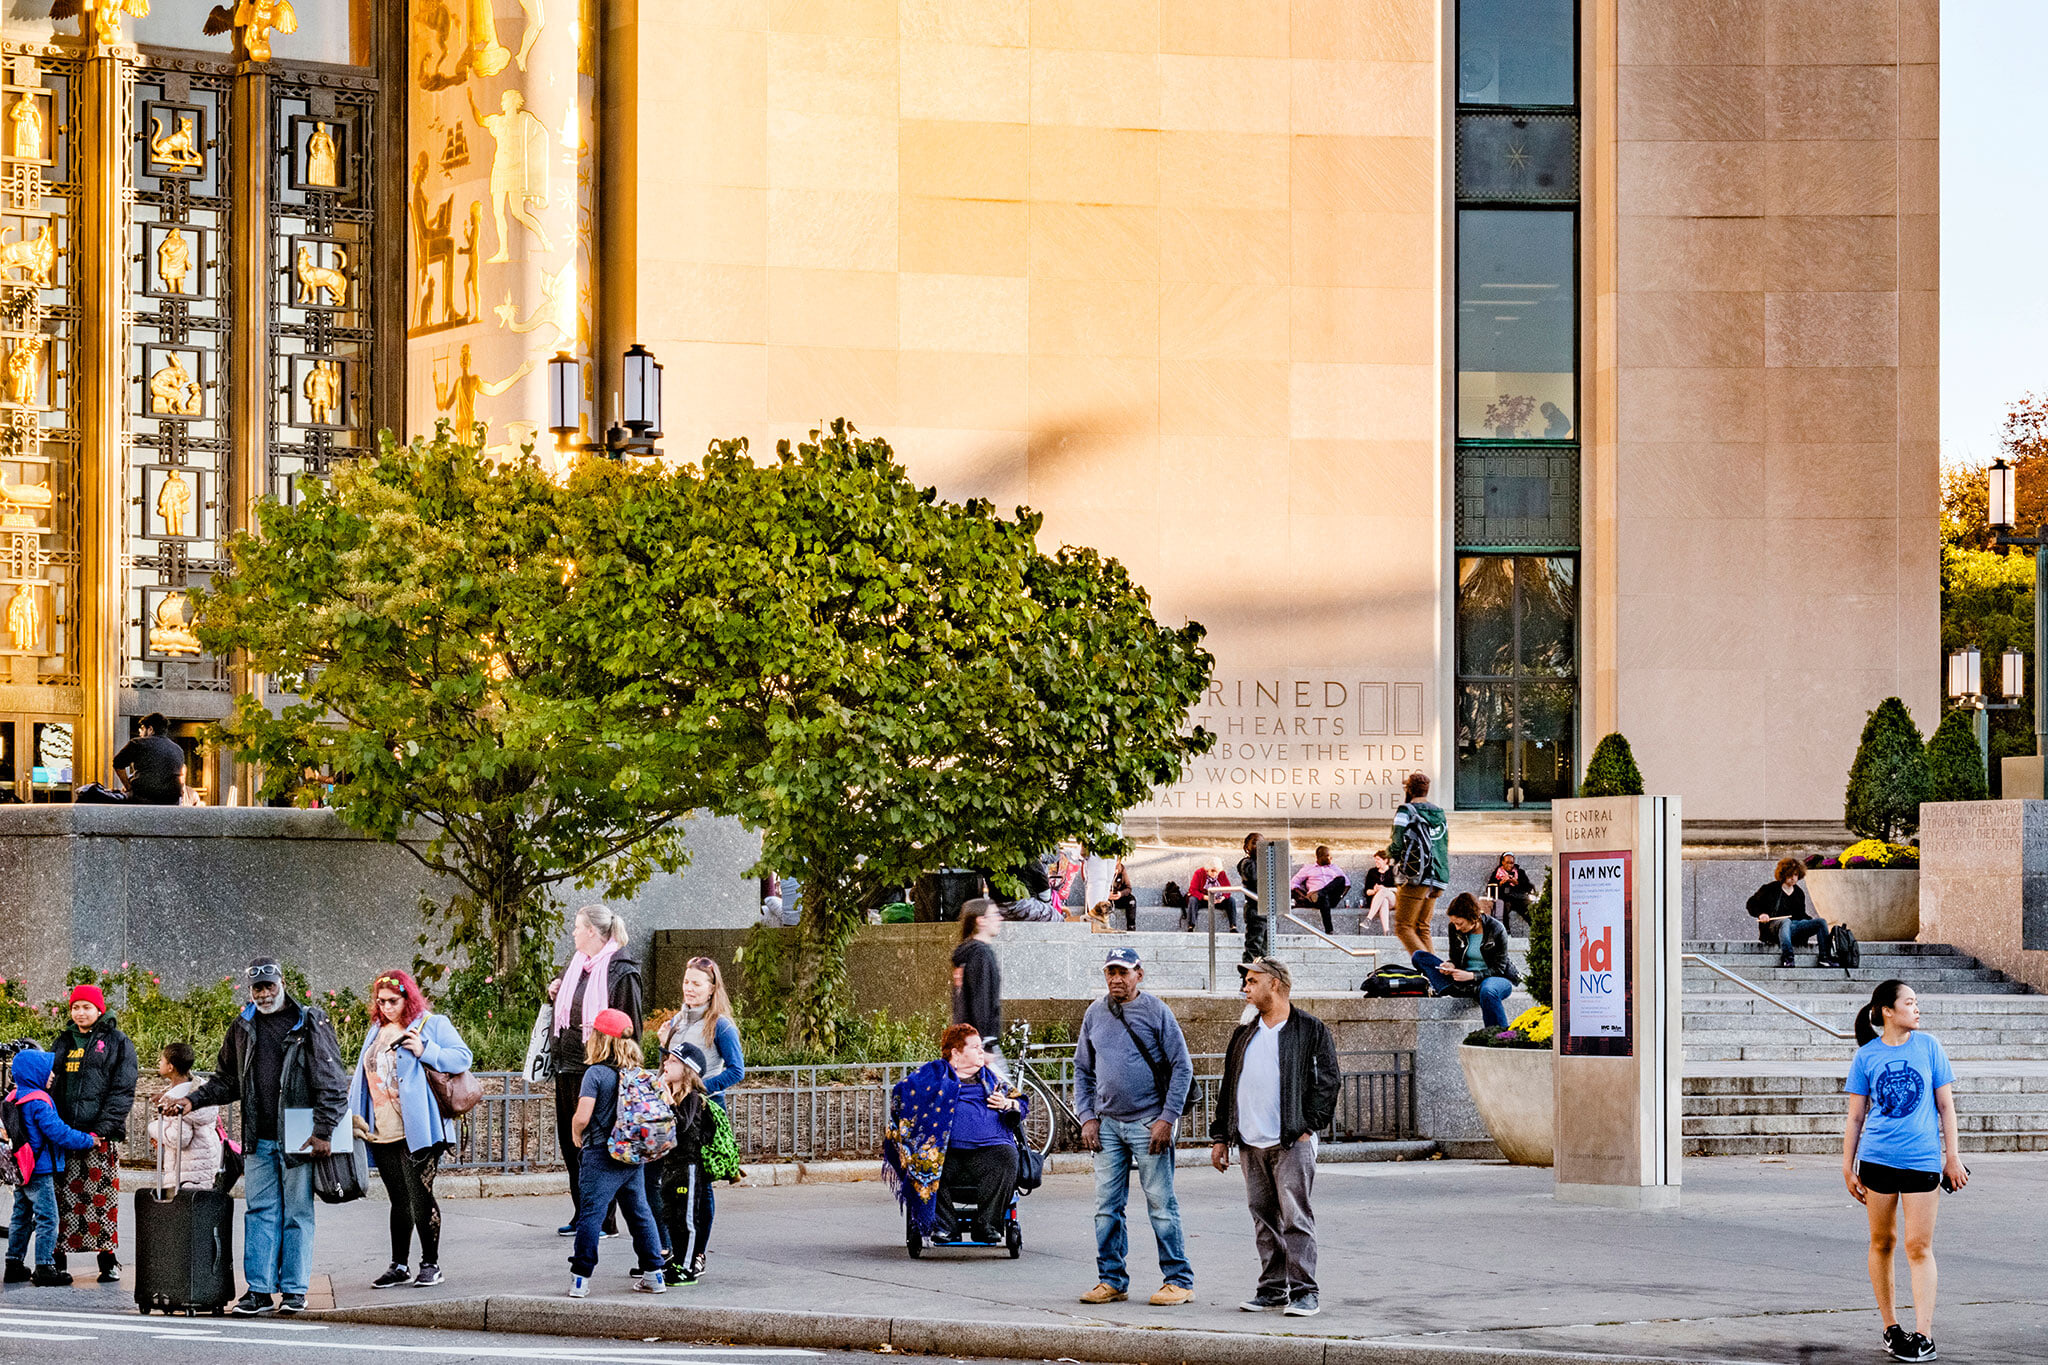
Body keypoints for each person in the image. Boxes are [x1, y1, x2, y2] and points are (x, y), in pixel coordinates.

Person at [161, 958, 348, 1317]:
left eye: (269, 986)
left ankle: (294, 1291)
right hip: (258, 1139)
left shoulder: (309, 1020)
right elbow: (227, 1080)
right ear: (249, 990)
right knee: (260, 1212)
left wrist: (324, 1131)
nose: (264, 993)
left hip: (300, 1136)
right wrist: (191, 1100)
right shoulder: (243, 1026)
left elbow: (333, 1081)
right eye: (257, 988)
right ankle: (259, 1291)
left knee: (297, 1214)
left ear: (282, 983)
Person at [1843, 980, 1968, 1363]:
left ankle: (1924, 1334)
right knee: (1882, 1242)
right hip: (1877, 1160)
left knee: (1918, 1246)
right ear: (1887, 1011)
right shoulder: (1867, 1056)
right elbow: (1856, 1116)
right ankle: (1891, 1327)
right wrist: (1847, 1167)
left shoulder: (1929, 1047)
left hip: (1922, 1161)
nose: (1917, 1009)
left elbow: (1946, 1107)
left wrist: (1953, 1157)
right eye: (1909, 1002)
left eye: (1916, 1002)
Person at [1209, 958, 1339, 1319]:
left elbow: (1328, 1081)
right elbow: (1228, 1087)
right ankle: (1271, 1289)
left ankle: (1305, 1292)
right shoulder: (1245, 1032)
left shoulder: (1309, 1029)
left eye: (1252, 981)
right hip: (1250, 1142)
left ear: (1275, 984)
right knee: (1263, 1218)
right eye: (1245, 982)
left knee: (1295, 1219)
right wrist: (1221, 1137)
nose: (1245, 988)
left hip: (1289, 1142)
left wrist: (1307, 1125)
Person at [1073, 946, 1195, 1307]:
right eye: (1110, 971)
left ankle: (1178, 1280)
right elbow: (1082, 1069)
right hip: (1107, 1124)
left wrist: (1166, 1119)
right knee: (1106, 1207)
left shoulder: (1156, 1011)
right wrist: (1088, 1117)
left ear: (1139, 974)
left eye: (1123, 972)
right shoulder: (1095, 1013)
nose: (1116, 979)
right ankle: (1111, 1280)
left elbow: (1182, 1067)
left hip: (1149, 1122)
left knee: (1160, 1204)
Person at [347, 969, 473, 1290]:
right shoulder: (376, 1030)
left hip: (420, 1129)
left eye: (393, 1001)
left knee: (420, 1197)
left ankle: (430, 1264)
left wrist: (425, 1050)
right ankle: (399, 1265)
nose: (386, 1007)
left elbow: (462, 1057)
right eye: (381, 1001)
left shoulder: (431, 1024)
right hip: (383, 1129)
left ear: (408, 998)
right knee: (398, 1200)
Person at [548, 905, 645, 1238]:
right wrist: (556, 992)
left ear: (592, 931)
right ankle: (583, 1212)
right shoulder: (578, 965)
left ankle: (603, 1219)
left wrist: (620, 1071)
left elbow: (630, 1025)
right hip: (568, 1065)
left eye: (577, 927)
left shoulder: (621, 970)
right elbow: (569, 1008)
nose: (573, 932)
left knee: (596, 1145)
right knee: (571, 1142)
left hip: (602, 1069)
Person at [884, 1026, 1028, 1248]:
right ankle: (944, 1226)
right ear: (956, 1052)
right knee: (923, 1159)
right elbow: (902, 1092)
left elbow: (1022, 1103)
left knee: (1008, 1156)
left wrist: (1009, 1104)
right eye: (975, 1047)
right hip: (946, 1152)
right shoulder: (932, 1075)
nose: (982, 1052)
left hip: (987, 1152)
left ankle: (988, 1225)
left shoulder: (991, 1079)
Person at [565, 1008, 668, 1298]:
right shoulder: (636, 1072)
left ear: (600, 1039)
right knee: (639, 1213)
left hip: (600, 1154)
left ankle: (580, 1278)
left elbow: (583, 1116)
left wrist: (575, 1132)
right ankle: (654, 1274)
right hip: (631, 1153)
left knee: (591, 1215)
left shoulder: (595, 1074)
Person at [653, 955, 743, 1279]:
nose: (689, 988)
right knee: (674, 1183)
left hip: (702, 1114)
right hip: (673, 1111)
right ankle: (676, 1251)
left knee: (700, 1186)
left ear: (711, 988)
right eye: (686, 981)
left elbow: (737, 1070)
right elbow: (669, 1066)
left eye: (697, 983)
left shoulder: (720, 1025)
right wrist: (663, 1045)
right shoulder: (678, 1020)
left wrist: (701, 1089)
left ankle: (697, 1254)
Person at [48, 983, 138, 1283]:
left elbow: (123, 1090)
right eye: (75, 1007)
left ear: (100, 1010)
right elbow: (49, 1083)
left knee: (102, 1200)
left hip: (101, 1139)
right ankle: (56, 1259)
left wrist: (102, 1129)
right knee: (60, 1200)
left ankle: (108, 1261)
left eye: (86, 1007)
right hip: (63, 1136)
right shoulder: (62, 1041)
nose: (80, 1013)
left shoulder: (117, 1042)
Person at [3, 1048, 98, 1286]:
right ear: (36, 1073)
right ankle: (44, 1267)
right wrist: (89, 1140)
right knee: (48, 1218)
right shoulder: (38, 1102)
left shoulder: (12, 1097)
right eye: (48, 1070)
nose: (52, 1074)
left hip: (20, 1167)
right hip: (39, 1169)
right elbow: (59, 1133)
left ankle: (13, 1264)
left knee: (21, 1216)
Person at [653, 1041, 722, 1284]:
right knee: (670, 1215)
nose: (665, 1064)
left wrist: (669, 1102)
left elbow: (682, 1126)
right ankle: (676, 1261)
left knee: (687, 1218)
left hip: (689, 1168)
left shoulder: (693, 1097)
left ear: (687, 1069)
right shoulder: (669, 1095)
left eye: (672, 1061)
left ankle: (687, 1266)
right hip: (671, 1166)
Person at [1411, 894, 1521, 1031]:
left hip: (1495, 979)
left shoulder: (1496, 929)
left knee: (1488, 990)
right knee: (1419, 956)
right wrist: (1450, 965)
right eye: (1454, 923)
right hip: (1464, 980)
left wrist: (1472, 976)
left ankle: (1499, 1037)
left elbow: (1499, 968)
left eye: (1460, 923)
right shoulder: (1454, 929)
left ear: (1473, 917)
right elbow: (1455, 958)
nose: (1456, 927)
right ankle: (1464, 988)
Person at [144, 1042, 221, 1192]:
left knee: (181, 1212)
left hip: (184, 1171)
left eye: (161, 1060)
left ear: (170, 1067)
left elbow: (179, 1138)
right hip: (206, 1163)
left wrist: (153, 1129)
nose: (159, 1063)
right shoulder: (202, 1090)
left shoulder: (176, 1098)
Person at [1388, 772, 1450, 954]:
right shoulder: (1439, 812)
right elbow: (1444, 843)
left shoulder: (1405, 811)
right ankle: (1435, 975)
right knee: (1422, 926)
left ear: (1408, 789)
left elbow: (1397, 843)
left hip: (1417, 875)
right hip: (1439, 875)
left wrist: (1390, 856)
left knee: (1403, 926)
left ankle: (1429, 970)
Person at [73, 713, 184, 805]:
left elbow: (117, 763)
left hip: (143, 797)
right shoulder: (178, 749)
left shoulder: (138, 743)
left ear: (150, 729)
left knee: (89, 793)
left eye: (142, 729)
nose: (140, 733)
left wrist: (128, 787)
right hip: (171, 801)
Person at [1748, 858, 1836, 968]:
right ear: (1783, 874)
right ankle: (1788, 958)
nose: (1793, 878)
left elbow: (1801, 915)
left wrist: (1810, 922)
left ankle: (1825, 958)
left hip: (1793, 927)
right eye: (1790, 874)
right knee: (1786, 921)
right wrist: (1761, 914)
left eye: (1795, 875)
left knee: (1820, 922)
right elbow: (1751, 903)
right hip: (1773, 928)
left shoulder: (1799, 892)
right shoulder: (1770, 888)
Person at [951, 900, 1005, 1079]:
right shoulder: (981, 954)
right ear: (981, 920)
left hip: (965, 1039)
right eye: (995, 915)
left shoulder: (966, 953)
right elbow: (981, 1001)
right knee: (1002, 1095)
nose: (1000, 918)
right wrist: (986, 1043)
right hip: (980, 1042)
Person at [1288, 846, 1350, 935]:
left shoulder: (1334, 868)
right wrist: (1304, 896)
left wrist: (1340, 897)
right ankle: (1329, 931)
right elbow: (1293, 883)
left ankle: (1320, 893)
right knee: (1323, 897)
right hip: (1316, 900)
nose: (1331, 858)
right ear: (1320, 857)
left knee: (1341, 879)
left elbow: (1347, 884)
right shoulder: (1308, 868)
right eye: (1328, 855)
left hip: (1332, 897)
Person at [1236, 833, 1270, 961]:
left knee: (1265, 950)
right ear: (1247, 847)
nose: (1259, 846)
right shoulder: (1247, 863)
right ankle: (1247, 979)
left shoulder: (1267, 863)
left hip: (1267, 910)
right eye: (1255, 843)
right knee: (1254, 948)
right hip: (1255, 909)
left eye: (1262, 843)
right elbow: (1256, 880)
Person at [1486, 852, 1536, 934]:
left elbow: (1528, 887)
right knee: (1504, 906)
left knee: (1527, 909)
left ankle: (1535, 929)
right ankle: (1506, 932)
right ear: (1502, 862)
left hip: (1519, 898)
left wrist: (1517, 883)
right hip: (1505, 898)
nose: (1510, 865)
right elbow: (1489, 889)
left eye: (1511, 863)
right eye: (1507, 863)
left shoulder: (1520, 873)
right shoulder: (1497, 874)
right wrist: (1501, 883)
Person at [1184, 863, 1236, 932]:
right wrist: (1205, 897)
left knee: (1231, 900)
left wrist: (1222, 898)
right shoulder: (1199, 873)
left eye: (1216, 871)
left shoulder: (1222, 874)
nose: (1214, 873)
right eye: (1212, 871)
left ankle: (1233, 927)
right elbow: (1193, 890)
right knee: (1192, 900)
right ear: (1207, 869)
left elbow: (1228, 889)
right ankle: (1191, 926)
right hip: (1203, 899)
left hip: (1217, 900)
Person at [1359, 850, 1397, 934]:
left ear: (1385, 860)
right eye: (1375, 860)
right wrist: (1375, 890)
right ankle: (1386, 931)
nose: (1376, 862)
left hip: (1393, 898)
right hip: (1376, 901)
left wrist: (1385, 889)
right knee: (1384, 901)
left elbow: (1400, 889)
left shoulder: (1394, 870)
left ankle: (1368, 919)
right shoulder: (1372, 872)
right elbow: (1367, 891)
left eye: (1378, 859)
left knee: (1383, 891)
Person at [1108, 861, 1138, 932]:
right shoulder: (1102, 867)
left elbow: (1128, 888)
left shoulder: (1121, 868)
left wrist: (1120, 894)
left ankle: (1131, 926)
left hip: (1118, 897)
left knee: (1131, 901)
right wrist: (1106, 894)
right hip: (1106, 898)